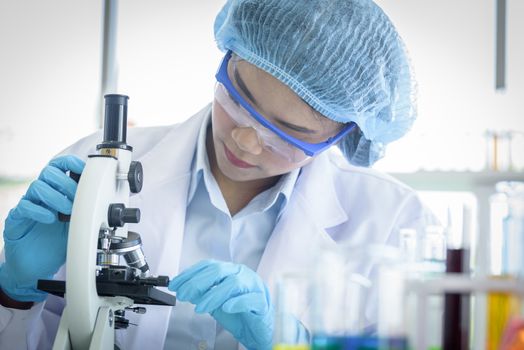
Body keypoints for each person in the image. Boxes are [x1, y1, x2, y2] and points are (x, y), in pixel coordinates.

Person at [0, 0, 437, 349]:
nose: (246, 142)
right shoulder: (94, 170)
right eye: (238, 98)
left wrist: (294, 344)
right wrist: (13, 292)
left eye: (289, 134)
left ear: (343, 135)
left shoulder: (397, 224)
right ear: (228, 56)